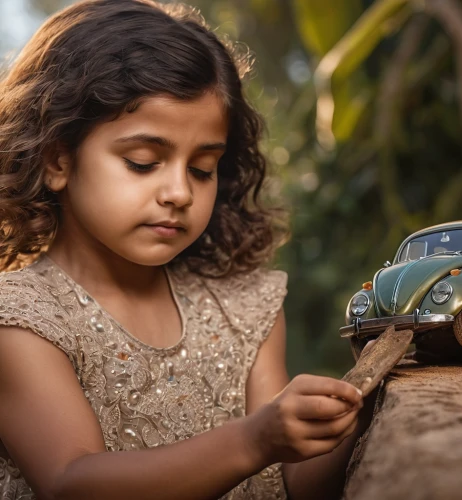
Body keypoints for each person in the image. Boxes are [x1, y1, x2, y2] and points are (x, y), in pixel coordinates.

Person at [0, 1, 372, 498]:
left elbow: (296, 481)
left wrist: (359, 399)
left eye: (202, 169)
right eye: (142, 162)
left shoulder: (243, 307)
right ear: (57, 160)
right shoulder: (21, 318)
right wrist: (253, 440)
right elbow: (71, 482)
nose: (179, 192)